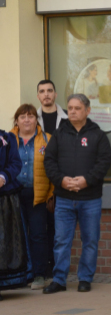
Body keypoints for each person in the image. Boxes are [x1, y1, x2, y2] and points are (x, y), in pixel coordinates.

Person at [43, 94, 111, 294]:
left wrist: (86, 181)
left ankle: (85, 278)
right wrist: (62, 180)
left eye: (77, 108)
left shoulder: (98, 135)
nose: (72, 111)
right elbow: (49, 161)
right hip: (64, 198)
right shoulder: (58, 134)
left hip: (90, 199)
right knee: (61, 240)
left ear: (87, 111)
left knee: (90, 240)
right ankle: (59, 280)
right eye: (70, 108)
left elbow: (104, 162)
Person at [11, 104, 53, 291]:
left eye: (30, 116)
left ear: (36, 119)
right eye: (22, 116)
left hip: (39, 196)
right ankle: (20, 275)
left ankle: (39, 275)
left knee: (38, 236)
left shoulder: (47, 139)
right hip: (13, 196)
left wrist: (51, 195)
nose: (27, 120)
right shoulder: (7, 140)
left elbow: (53, 169)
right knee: (17, 237)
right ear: (17, 120)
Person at [36, 79, 66, 279]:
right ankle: (42, 269)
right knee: (39, 229)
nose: (46, 94)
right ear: (38, 95)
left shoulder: (66, 119)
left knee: (58, 229)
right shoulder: (31, 118)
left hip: (61, 180)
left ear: (55, 94)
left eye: (49, 91)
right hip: (39, 181)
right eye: (42, 91)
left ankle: (57, 268)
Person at [0, 127, 29, 300]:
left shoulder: (7, 138)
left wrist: (3, 176)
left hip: (4, 199)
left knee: (3, 242)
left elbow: (16, 163)